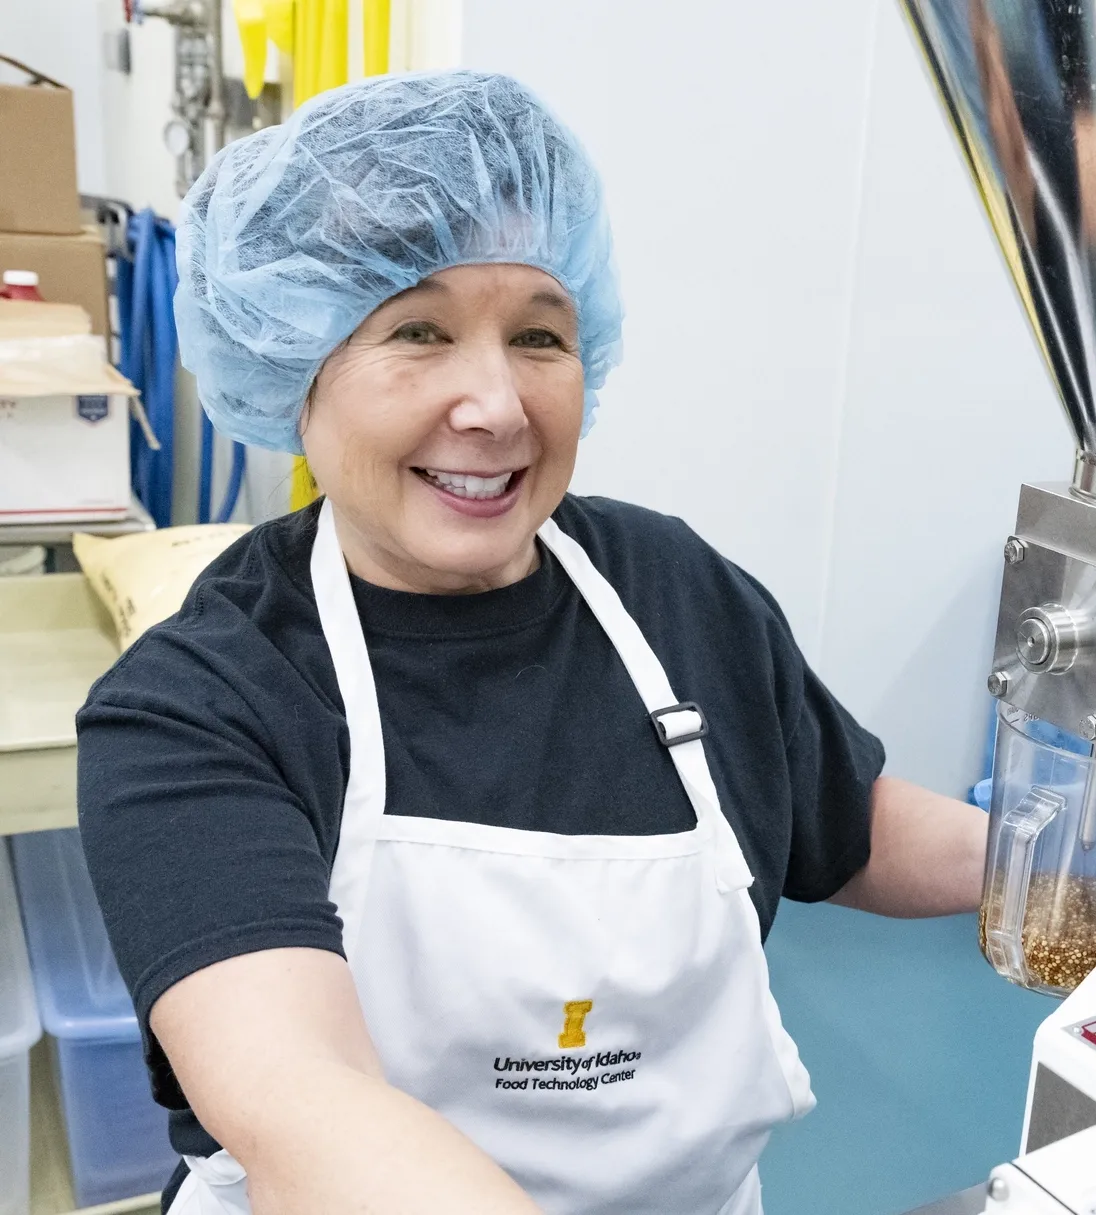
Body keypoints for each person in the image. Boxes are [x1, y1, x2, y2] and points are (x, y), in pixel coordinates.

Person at [73, 70, 988, 1215]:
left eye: (540, 335)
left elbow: (838, 820)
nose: (499, 408)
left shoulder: (669, 585)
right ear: (295, 371)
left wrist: (1074, 879)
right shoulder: (199, 703)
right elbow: (299, 1100)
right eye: (417, 330)